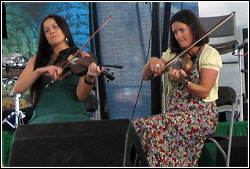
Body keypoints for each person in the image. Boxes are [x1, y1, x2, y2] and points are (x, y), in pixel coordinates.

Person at [135, 9, 222, 167]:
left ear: (193, 29)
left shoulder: (209, 53)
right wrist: (153, 62)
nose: (178, 36)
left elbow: (204, 91)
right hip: (175, 114)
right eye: (175, 32)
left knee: (155, 125)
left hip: (201, 115)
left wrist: (184, 81)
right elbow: (145, 76)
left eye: (182, 30)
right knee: (140, 125)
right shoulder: (173, 53)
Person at [13, 14, 103, 124]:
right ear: (45, 37)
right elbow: (18, 88)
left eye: (55, 27)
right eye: (47, 30)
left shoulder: (82, 57)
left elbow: (81, 95)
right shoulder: (38, 59)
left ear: (64, 29)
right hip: (43, 117)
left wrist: (89, 78)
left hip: (74, 115)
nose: (51, 31)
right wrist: (39, 71)